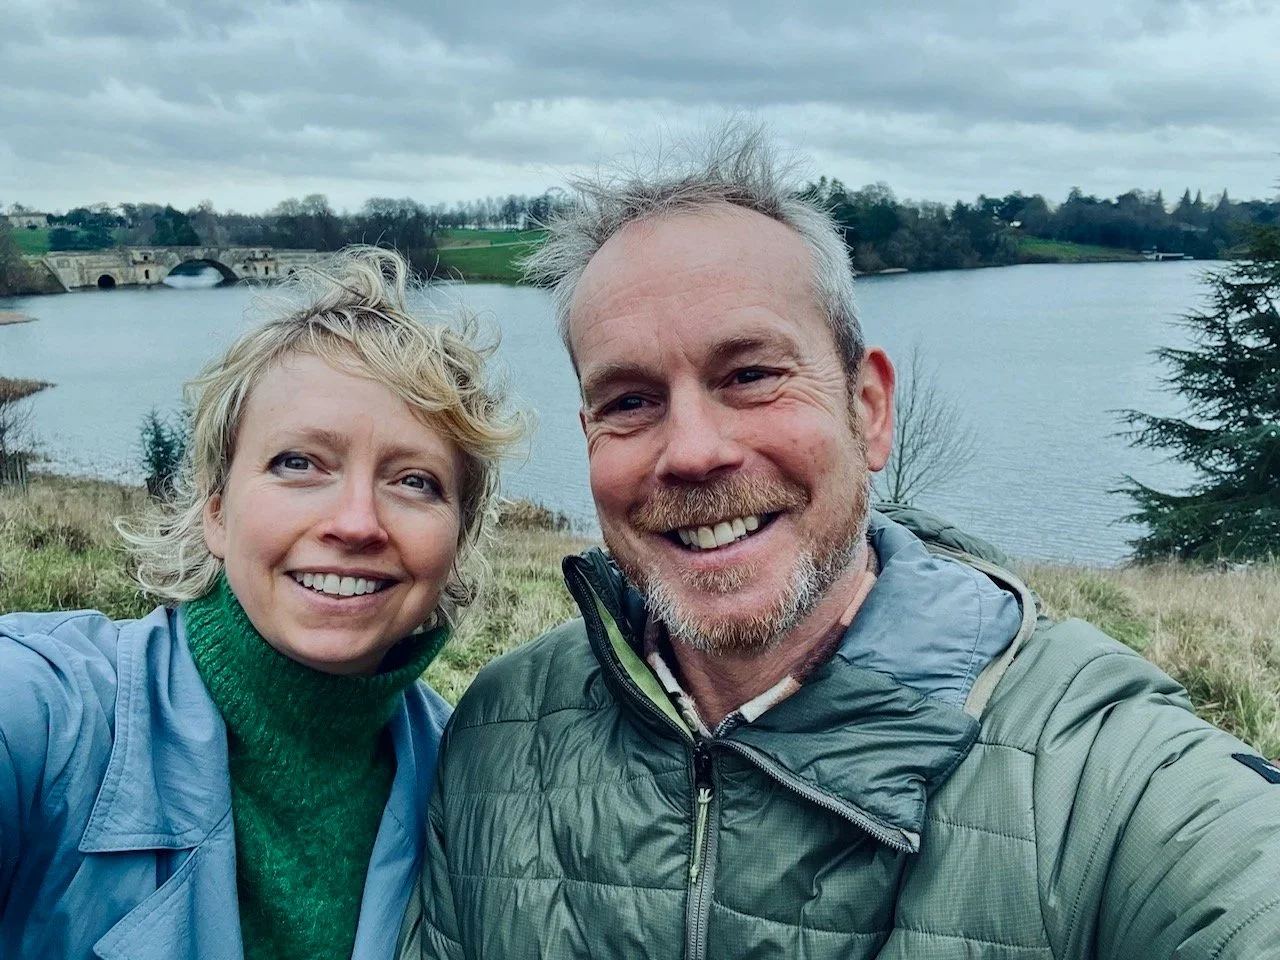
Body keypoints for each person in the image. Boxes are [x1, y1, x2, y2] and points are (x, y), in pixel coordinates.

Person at [401, 128, 1280, 959]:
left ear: (869, 411)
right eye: (628, 401)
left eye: (750, 375)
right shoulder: (500, 732)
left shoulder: (1097, 776)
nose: (694, 451)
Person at [0, 247, 522, 960]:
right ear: (215, 512)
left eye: (415, 482)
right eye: (298, 463)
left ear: (457, 538)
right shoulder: (52, 714)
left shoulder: (472, 778)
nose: (356, 522)